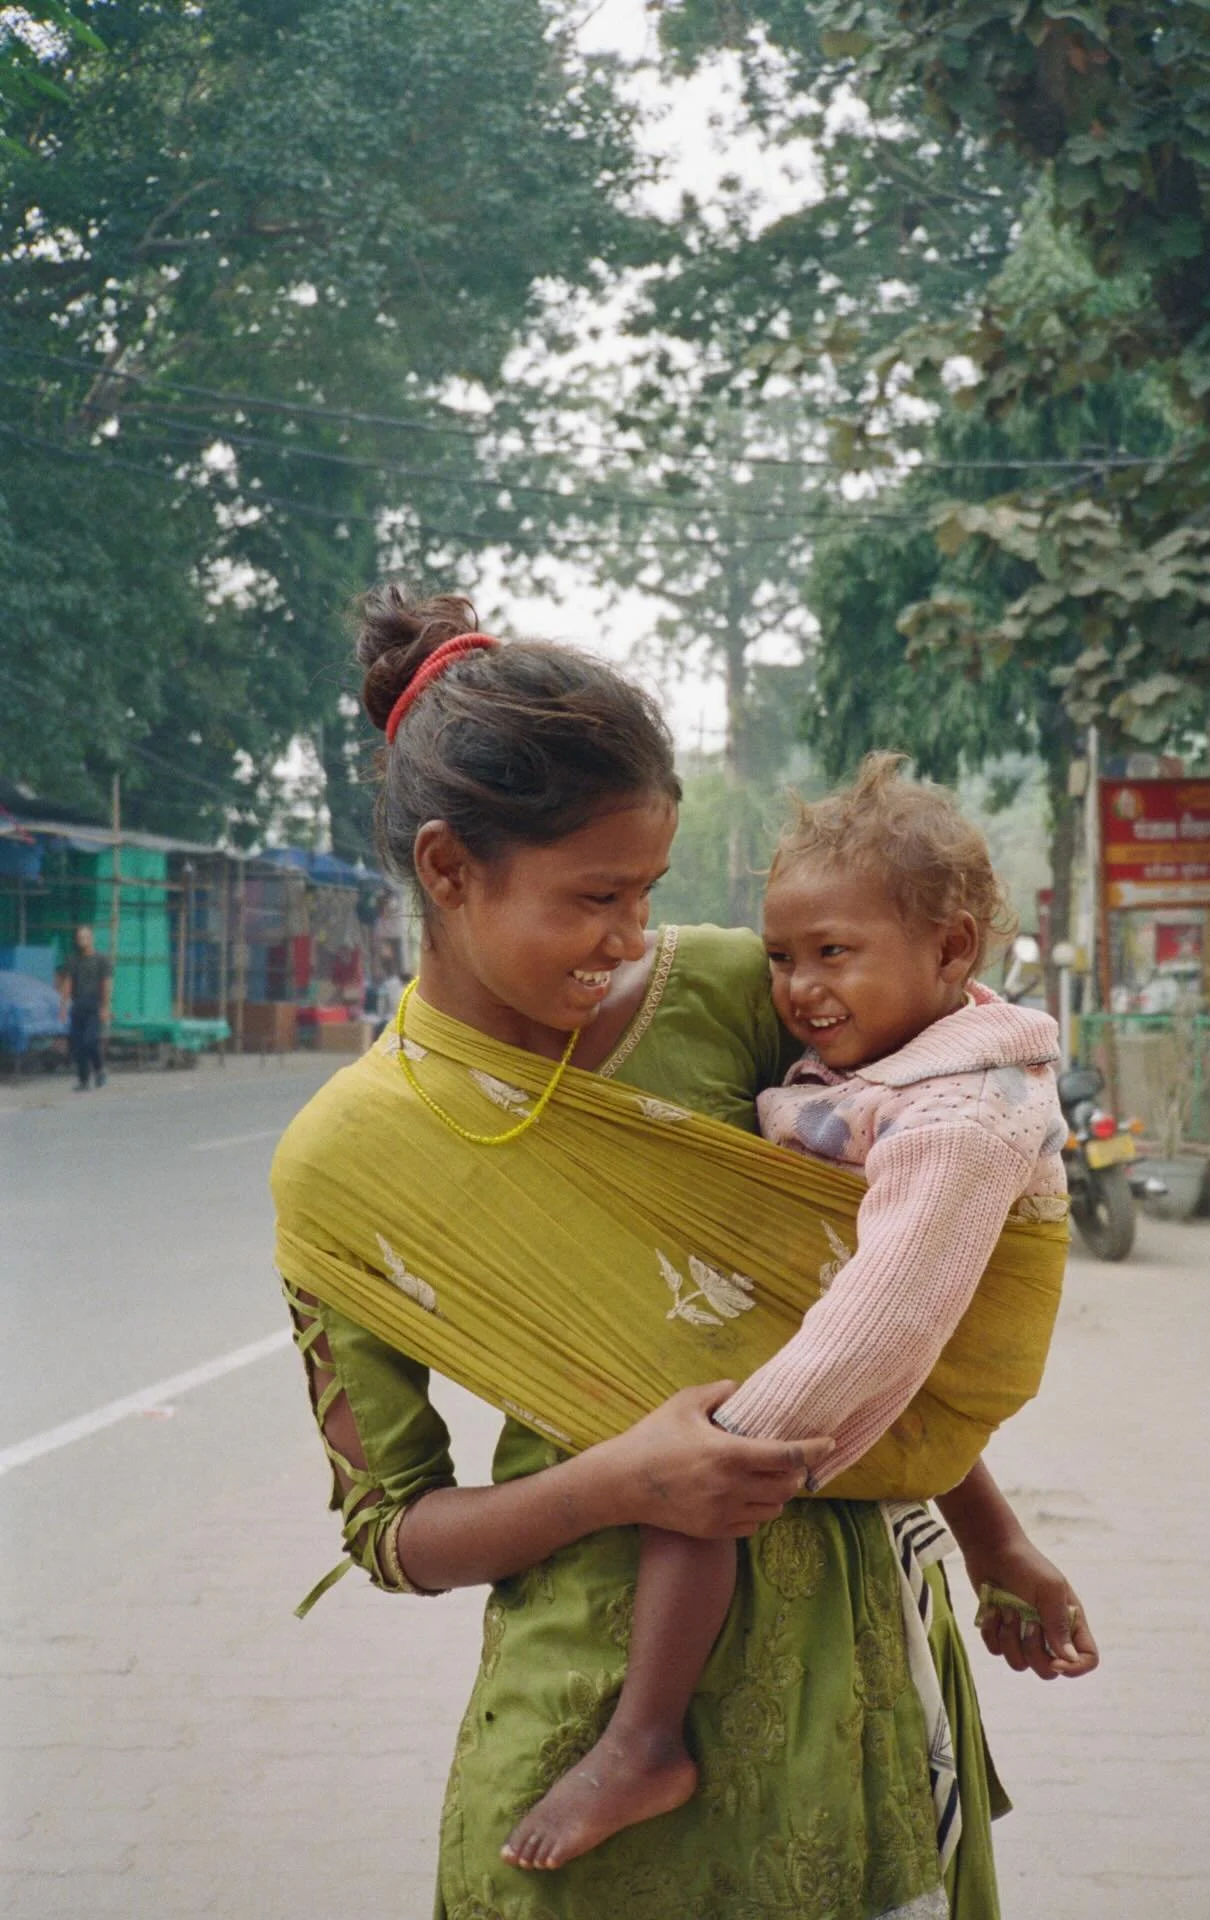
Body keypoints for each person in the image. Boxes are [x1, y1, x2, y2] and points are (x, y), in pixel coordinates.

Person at [274, 587, 1098, 1920]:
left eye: (646, 892)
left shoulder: (737, 993)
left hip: (856, 1657)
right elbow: (393, 1533)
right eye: (594, 896)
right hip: (584, 1694)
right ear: (447, 868)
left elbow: (884, 1289)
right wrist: (623, 1482)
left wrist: (993, 1536)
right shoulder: (346, 1161)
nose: (628, 936)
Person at [505, 755, 1075, 1871]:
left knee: (691, 1492)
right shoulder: (877, 1061)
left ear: (952, 952)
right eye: (781, 957)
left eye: (834, 955)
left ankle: (644, 1740)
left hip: (847, 1377)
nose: (802, 990)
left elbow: (889, 1312)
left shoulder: (957, 1117)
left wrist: (750, 1443)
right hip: (834, 1358)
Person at [57, 924, 111, 1091]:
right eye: (80, 938)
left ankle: (99, 1068)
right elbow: (67, 984)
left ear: (92, 939)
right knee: (79, 1046)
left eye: (85, 938)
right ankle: (83, 1081)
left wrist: (105, 1007)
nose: (83, 941)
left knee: (90, 1041)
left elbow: (106, 984)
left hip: (94, 1005)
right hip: (78, 1005)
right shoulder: (73, 960)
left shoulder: (101, 960)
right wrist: (63, 1007)